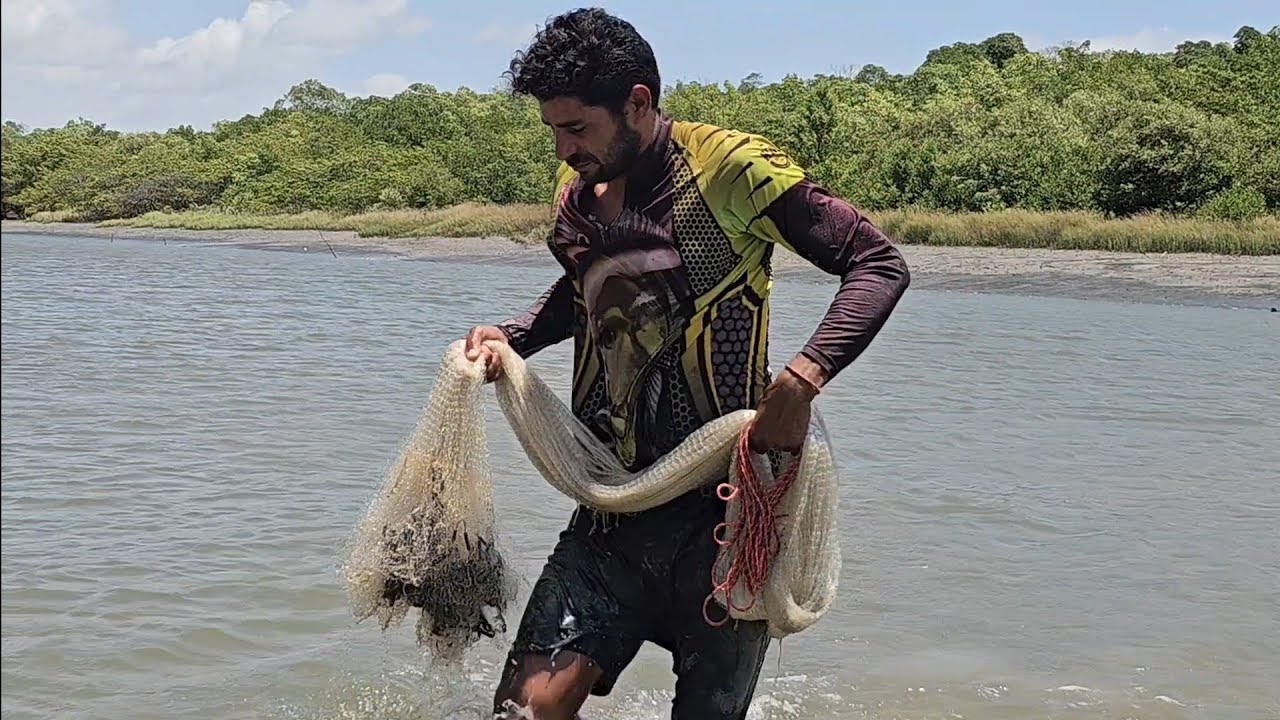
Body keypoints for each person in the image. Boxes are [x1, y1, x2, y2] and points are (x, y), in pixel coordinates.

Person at [464, 8, 911, 719]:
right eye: (552, 127)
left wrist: (804, 377)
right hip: (609, 515)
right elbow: (587, 291)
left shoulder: (731, 169)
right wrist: (511, 339)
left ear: (638, 102)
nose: (562, 144)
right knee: (519, 715)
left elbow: (877, 263)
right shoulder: (577, 187)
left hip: (728, 524)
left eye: (576, 127)